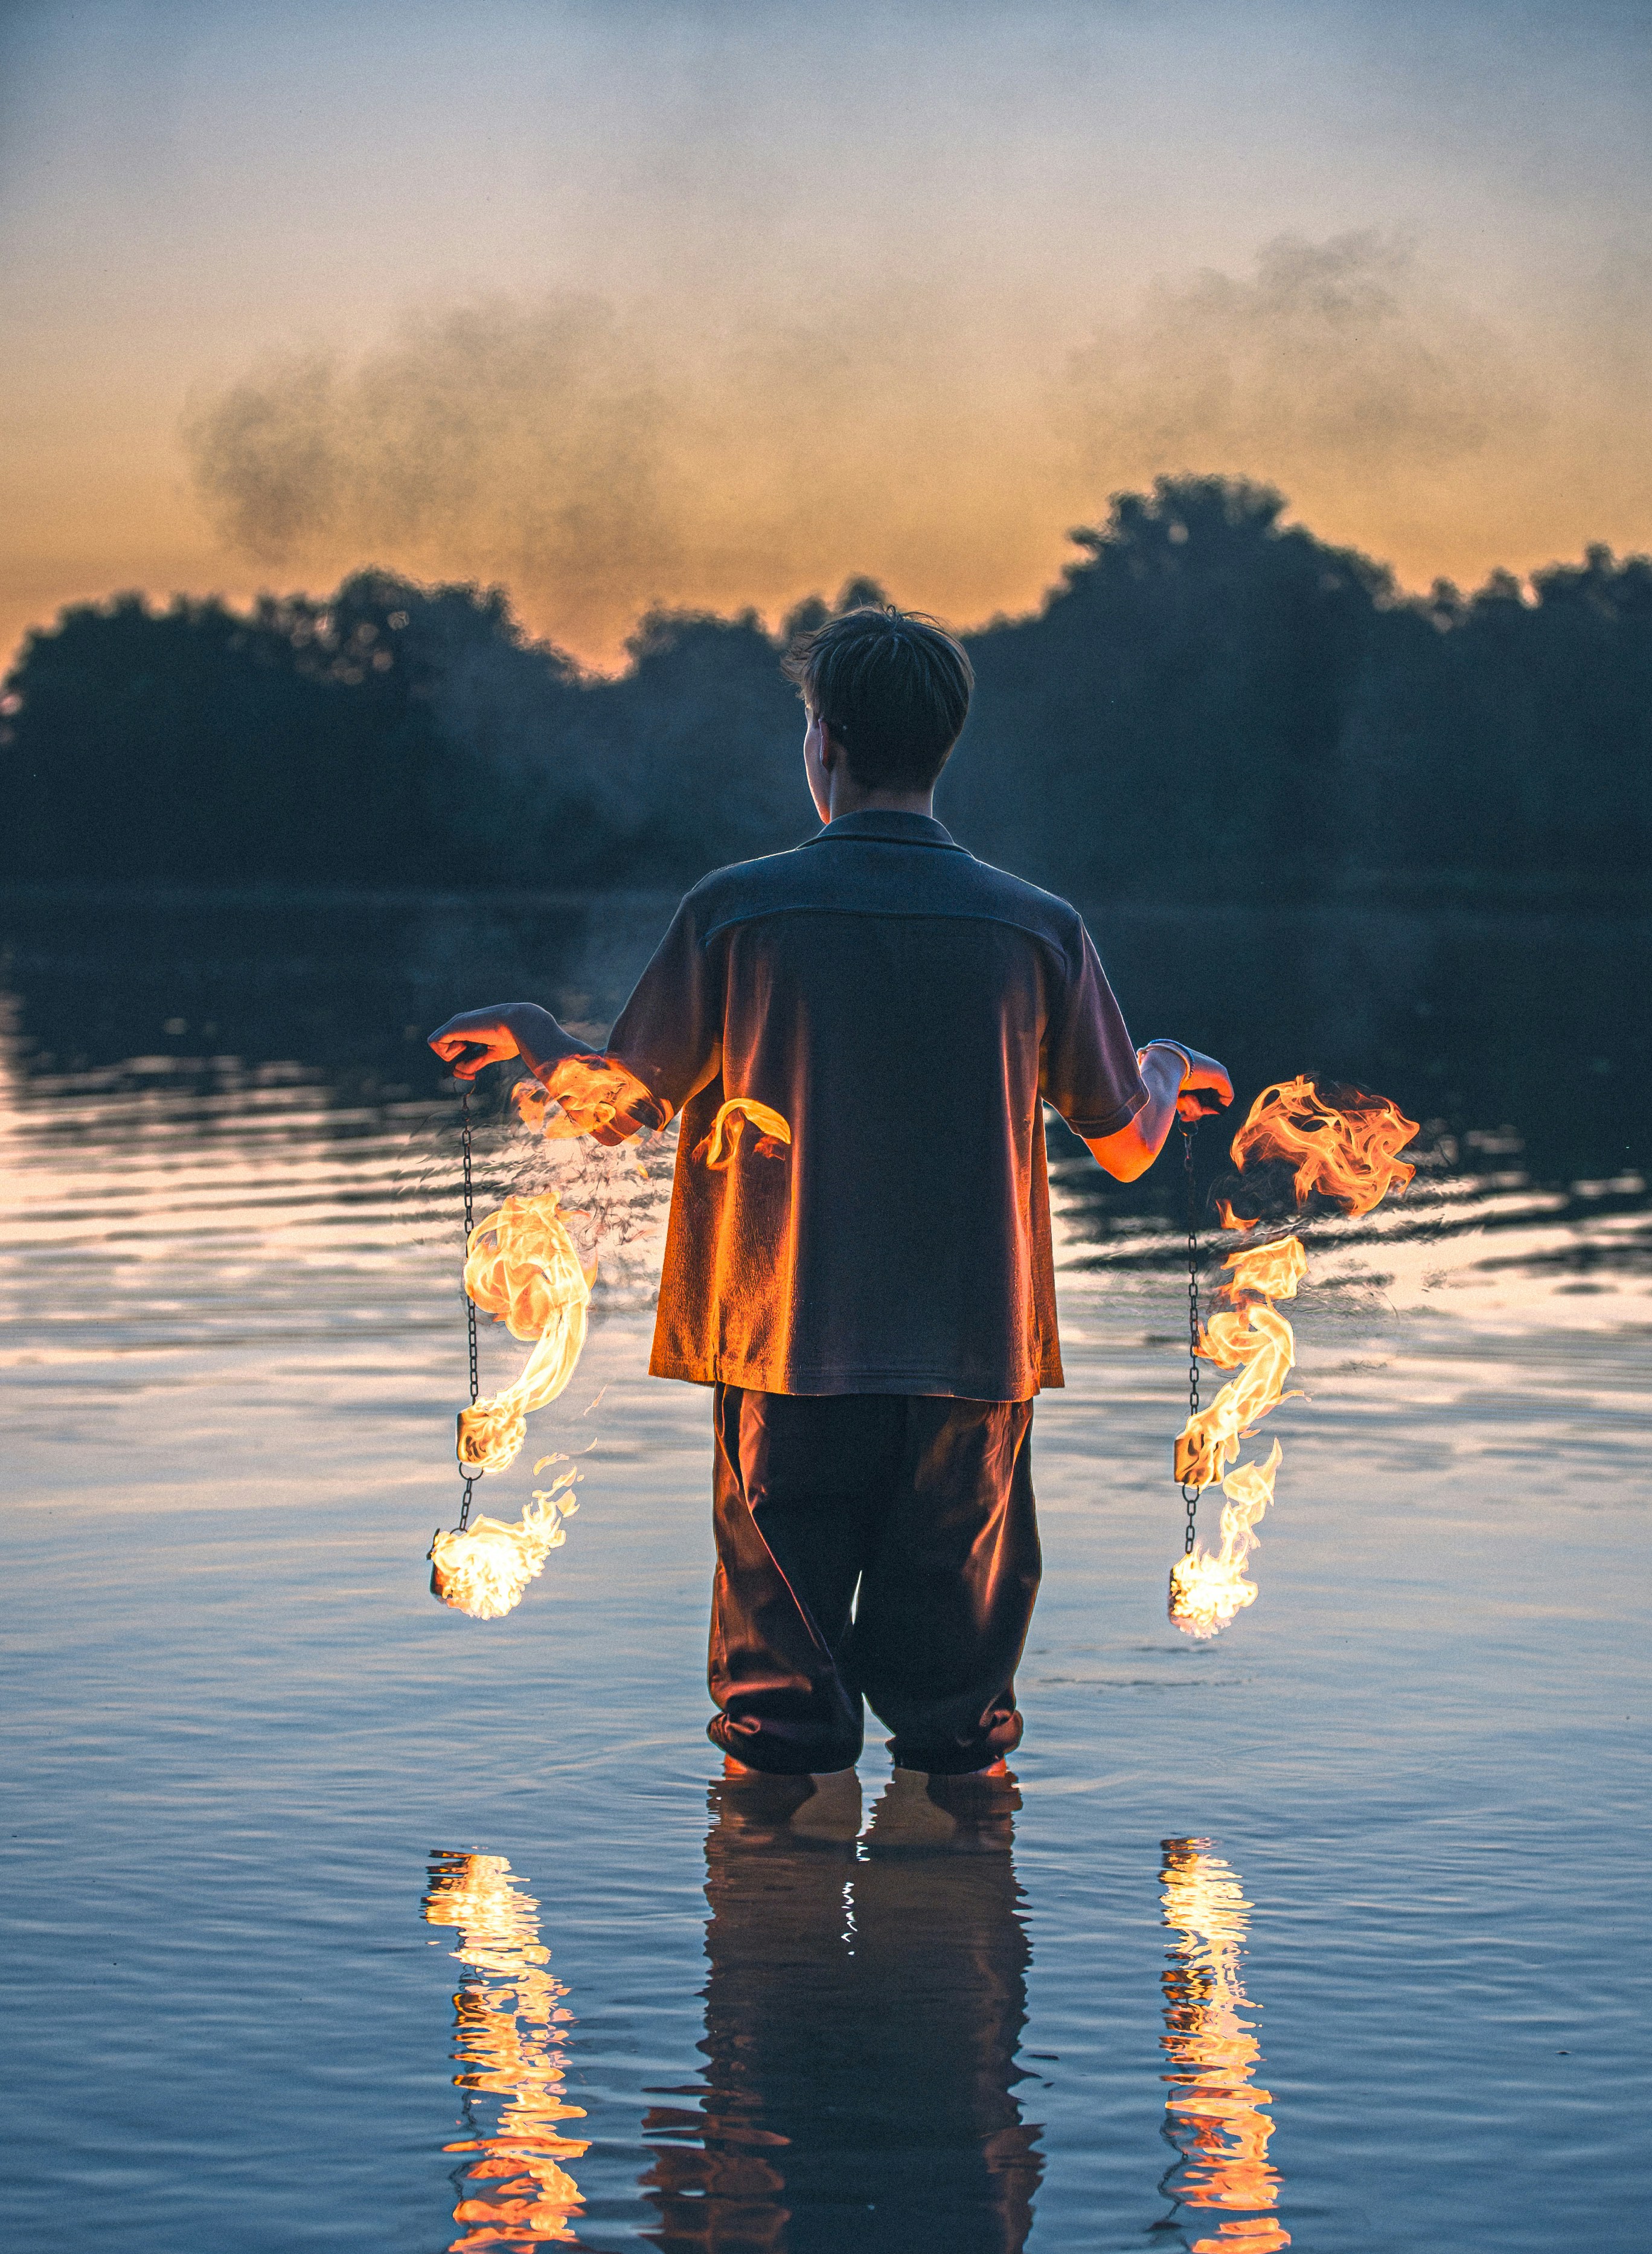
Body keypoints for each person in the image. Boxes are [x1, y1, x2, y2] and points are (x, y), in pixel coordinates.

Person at [431, 605, 1230, 1780]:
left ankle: (780, 1947)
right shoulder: (1036, 928)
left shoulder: (739, 910)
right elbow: (1125, 1147)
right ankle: (946, 1939)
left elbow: (616, 1109)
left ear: (824, 740)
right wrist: (1162, 1064)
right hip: (970, 1373)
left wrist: (535, 1030)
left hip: (785, 1365)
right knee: (958, 1733)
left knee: (778, 1728)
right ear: (942, 744)